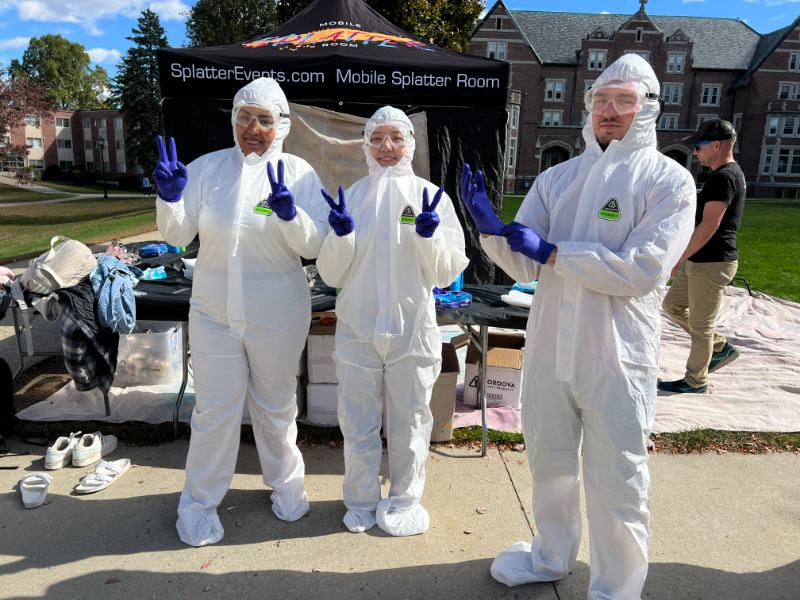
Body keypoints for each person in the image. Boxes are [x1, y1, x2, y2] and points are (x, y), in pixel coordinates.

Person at [460, 54, 696, 598]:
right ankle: (551, 554)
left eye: (624, 100)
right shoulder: (557, 178)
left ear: (649, 108)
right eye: (600, 100)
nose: (609, 112)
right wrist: (494, 232)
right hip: (549, 349)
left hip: (616, 353)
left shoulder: (669, 182)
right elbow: (525, 262)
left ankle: (616, 587)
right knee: (550, 462)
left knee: (618, 477)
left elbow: (642, 269)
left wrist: (554, 251)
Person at [152, 77, 329, 547]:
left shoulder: (299, 173)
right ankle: (199, 503)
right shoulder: (208, 169)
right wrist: (171, 197)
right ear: (233, 120)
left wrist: (293, 215)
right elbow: (176, 235)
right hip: (213, 313)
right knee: (214, 411)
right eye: (245, 117)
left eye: (265, 120)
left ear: (282, 125)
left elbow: (315, 246)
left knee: (275, 405)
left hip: (278, 313)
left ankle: (287, 484)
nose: (254, 128)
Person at [316, 106, 468, 537]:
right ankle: (361, 499)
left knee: (411, 421)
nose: (386, 147)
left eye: (395, 138)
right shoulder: (354, 197)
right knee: (358, 422)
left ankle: (405, 499)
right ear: (365, 144)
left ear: (410, 144)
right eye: (377, 138)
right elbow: (331, 274)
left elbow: (444, 272)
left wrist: (428, 236)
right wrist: (341, 236)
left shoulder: (430, 197)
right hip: (358, 329)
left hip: (411, 330)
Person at [658, 119, 745, 394]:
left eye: (699, 146)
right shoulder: (724, 175)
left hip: (713, 262)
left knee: (701, 325)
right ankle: (720, 347)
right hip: (701, 261)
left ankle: (696, 381)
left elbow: (710, 224)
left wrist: (679, 258)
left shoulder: (725, 177)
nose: (695, 152)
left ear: (717, 145)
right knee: (672, 306)